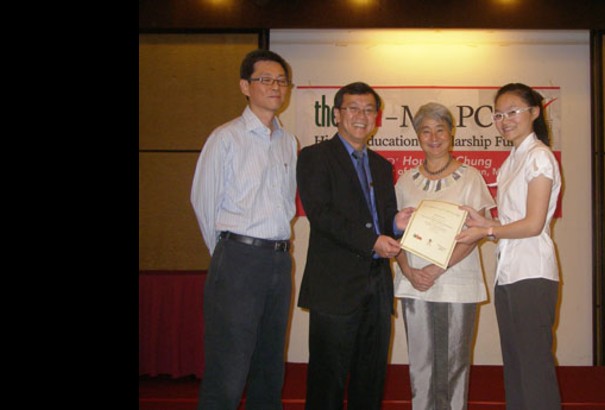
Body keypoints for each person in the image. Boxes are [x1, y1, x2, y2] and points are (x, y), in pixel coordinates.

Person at [190, 49, 297, 410]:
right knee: (229, 367)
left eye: (281, 81)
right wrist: (229, 255)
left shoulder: (288, 141)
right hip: (238, 260)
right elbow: (203, 202)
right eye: (265, 79)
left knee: (270, 365)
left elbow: (285, 205)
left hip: (280, 262)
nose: (275, 87)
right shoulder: (226, 138)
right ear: (245, 86)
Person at [296, 81, 414, 410]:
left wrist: (396, 224)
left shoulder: (381, 165)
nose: (361, 116)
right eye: (353, 109)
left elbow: (384, 218)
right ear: (336, 115)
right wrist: (372, 240)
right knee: (327, 381)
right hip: (334, 287)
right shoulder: (314, 157)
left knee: (370, 378)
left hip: (376, 286)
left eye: (368, 110)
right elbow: (322, 215)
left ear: (377, 117)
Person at [456, 83, 563, 410]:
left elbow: (532, 224)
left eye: (512, 111)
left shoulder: (539, 157)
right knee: (515, 367)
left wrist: (487, 229)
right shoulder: (511, 161)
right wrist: (483, 221)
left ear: (534, 112)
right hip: (509, 273)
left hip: (532, 274)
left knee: (534, 368)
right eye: (498, 114)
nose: (504, 120)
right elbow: (511, 221)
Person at [393, 102, 495, 410]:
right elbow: (395, 232)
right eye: (426, 130)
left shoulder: (470, 177)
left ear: (451, 133)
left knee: (453, 363)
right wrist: (409, 271)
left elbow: (477, 232)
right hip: (414, 282)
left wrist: (438, 267)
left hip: (455, 280)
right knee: (421, 363)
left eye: (440, 129)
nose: (433, 137)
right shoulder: (405, 181)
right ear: (417, 136)